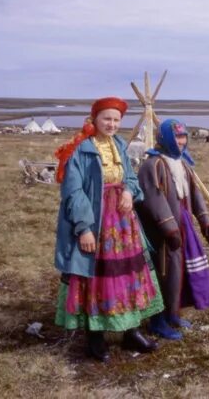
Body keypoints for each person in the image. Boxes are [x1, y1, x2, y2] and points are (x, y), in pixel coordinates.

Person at [53, 97, 164, 364]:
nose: (112, 124)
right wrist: (84, 229)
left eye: (116, 120)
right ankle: (95, 337)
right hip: (97, 222)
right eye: (107, 119)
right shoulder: (80, 150)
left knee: (127, 275)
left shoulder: (120, 145)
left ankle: (130, 331)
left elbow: (130, 177)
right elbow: (74, 192)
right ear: (94, 119)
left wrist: (128, 190)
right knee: (98, 278)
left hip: (124, 225)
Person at [136, 119, 209, 340]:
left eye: (183, 137)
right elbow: (153, 199)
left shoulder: (182, 164)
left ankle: (173, 313)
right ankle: (157, 320)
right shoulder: (153, 165)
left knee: (180, 270)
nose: (181, 142)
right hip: (161, 232)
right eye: (177, 137)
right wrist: (169, 229)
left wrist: (205, 222)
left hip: (184, 226)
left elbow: (195, 194)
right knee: (164, 271)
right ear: (165, 139)